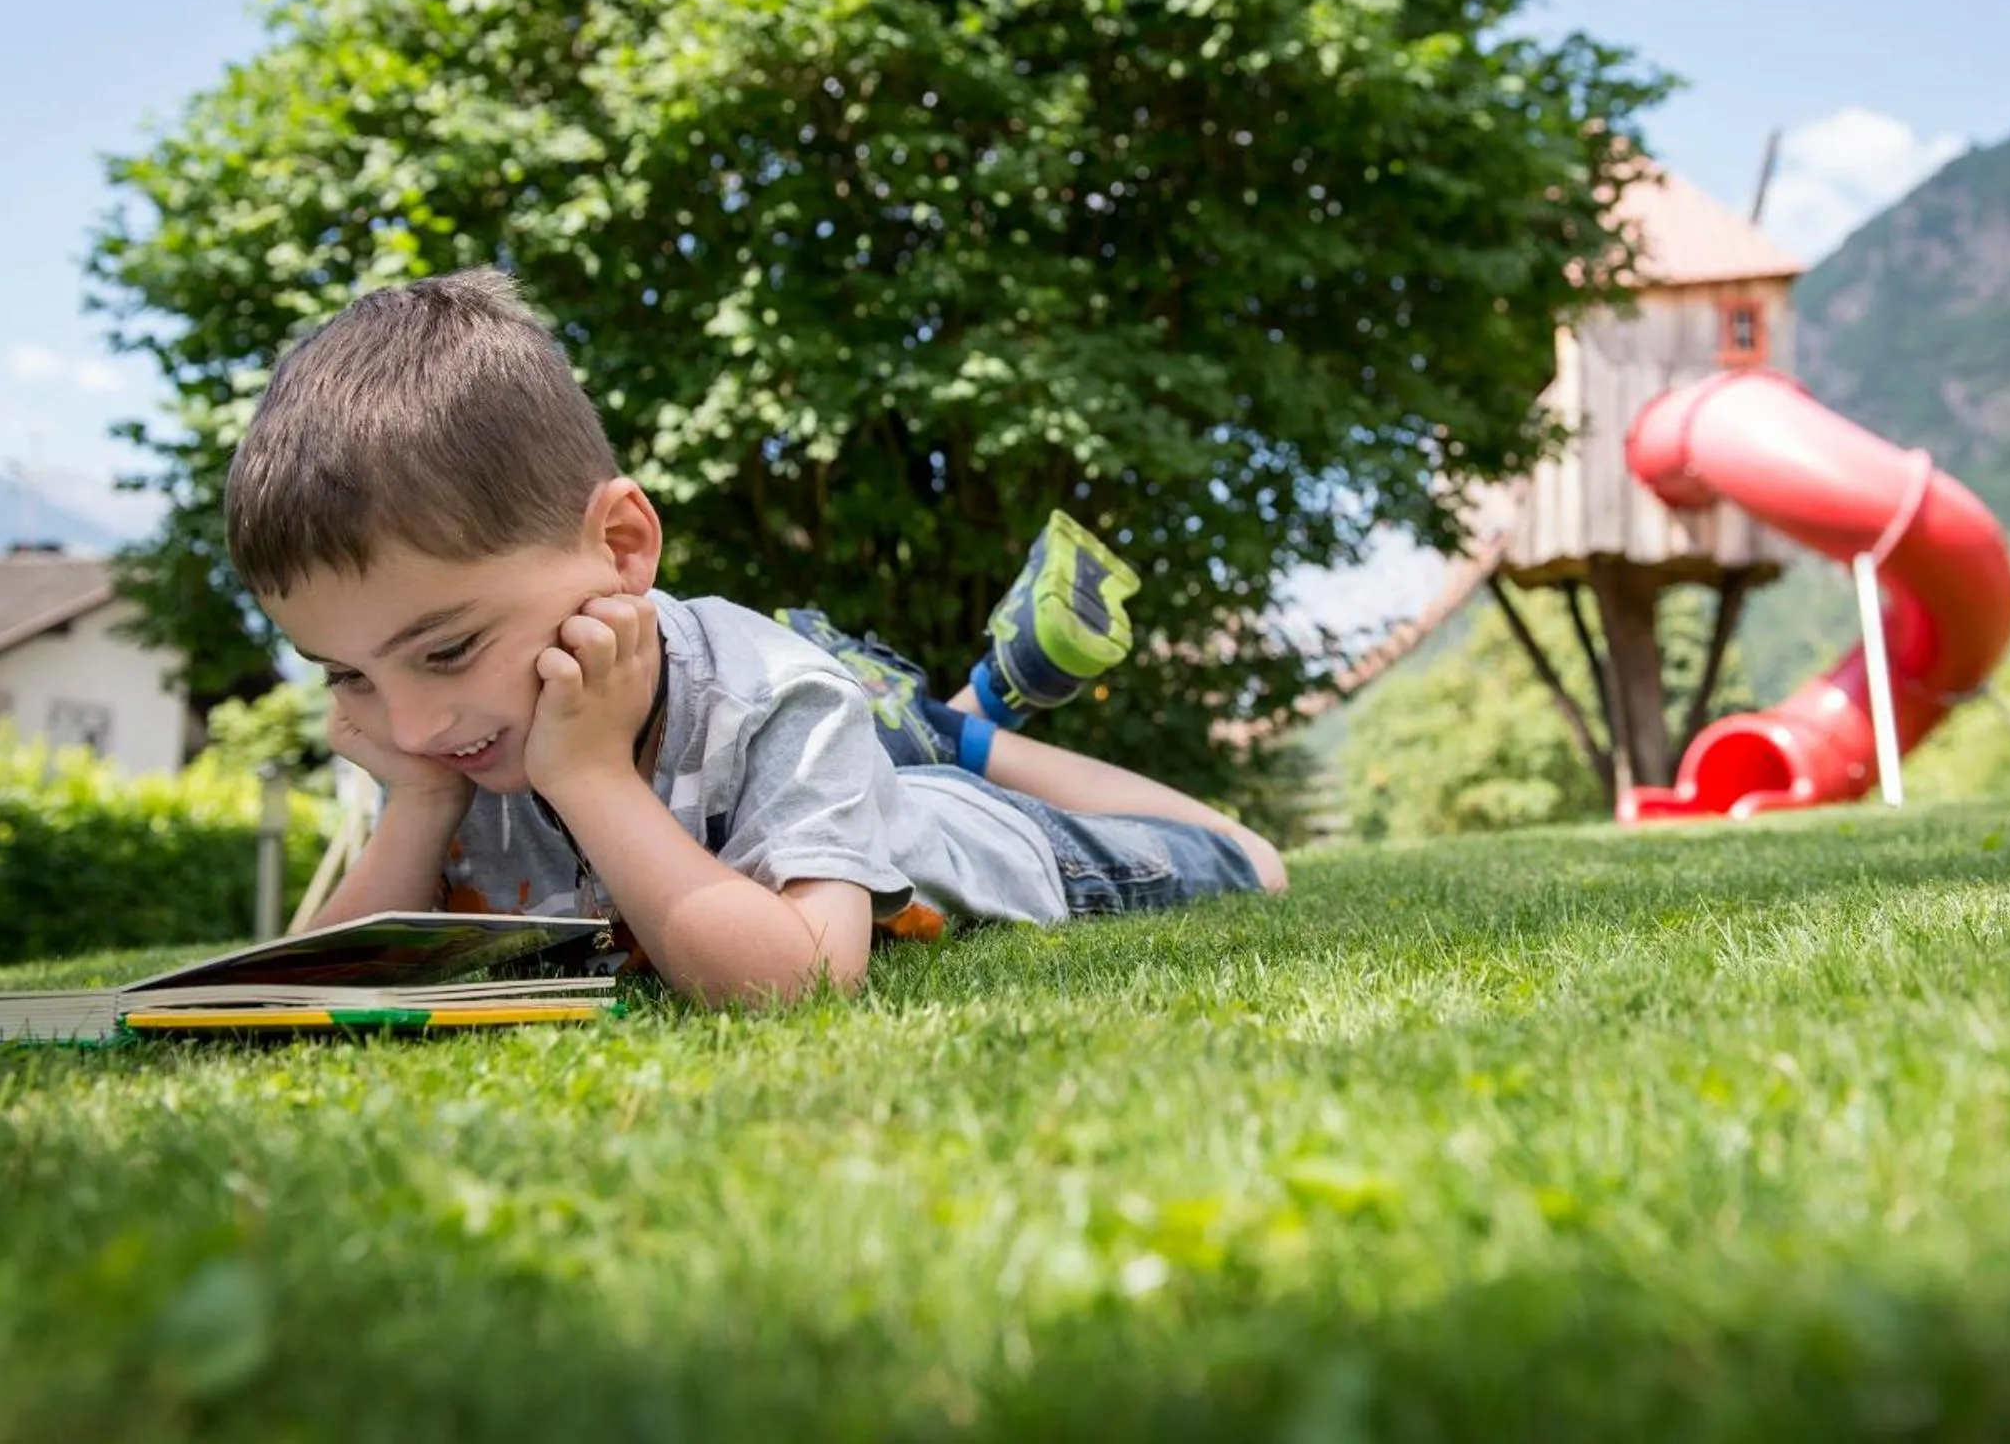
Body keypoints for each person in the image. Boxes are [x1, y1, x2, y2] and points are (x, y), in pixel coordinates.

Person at [222, 268, 1287, 1007]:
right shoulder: (453, 741)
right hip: (834, 767)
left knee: (1255, 864)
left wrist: (592, 775)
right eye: (349, 673)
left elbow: (801, 984)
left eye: (445, 650)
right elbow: (333, 980)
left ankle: (952, 731)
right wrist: (421, 803)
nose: (408, 719)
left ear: (624, 545)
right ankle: (926, 718)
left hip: (963, 841)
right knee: (876, 744)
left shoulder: (770, 692)